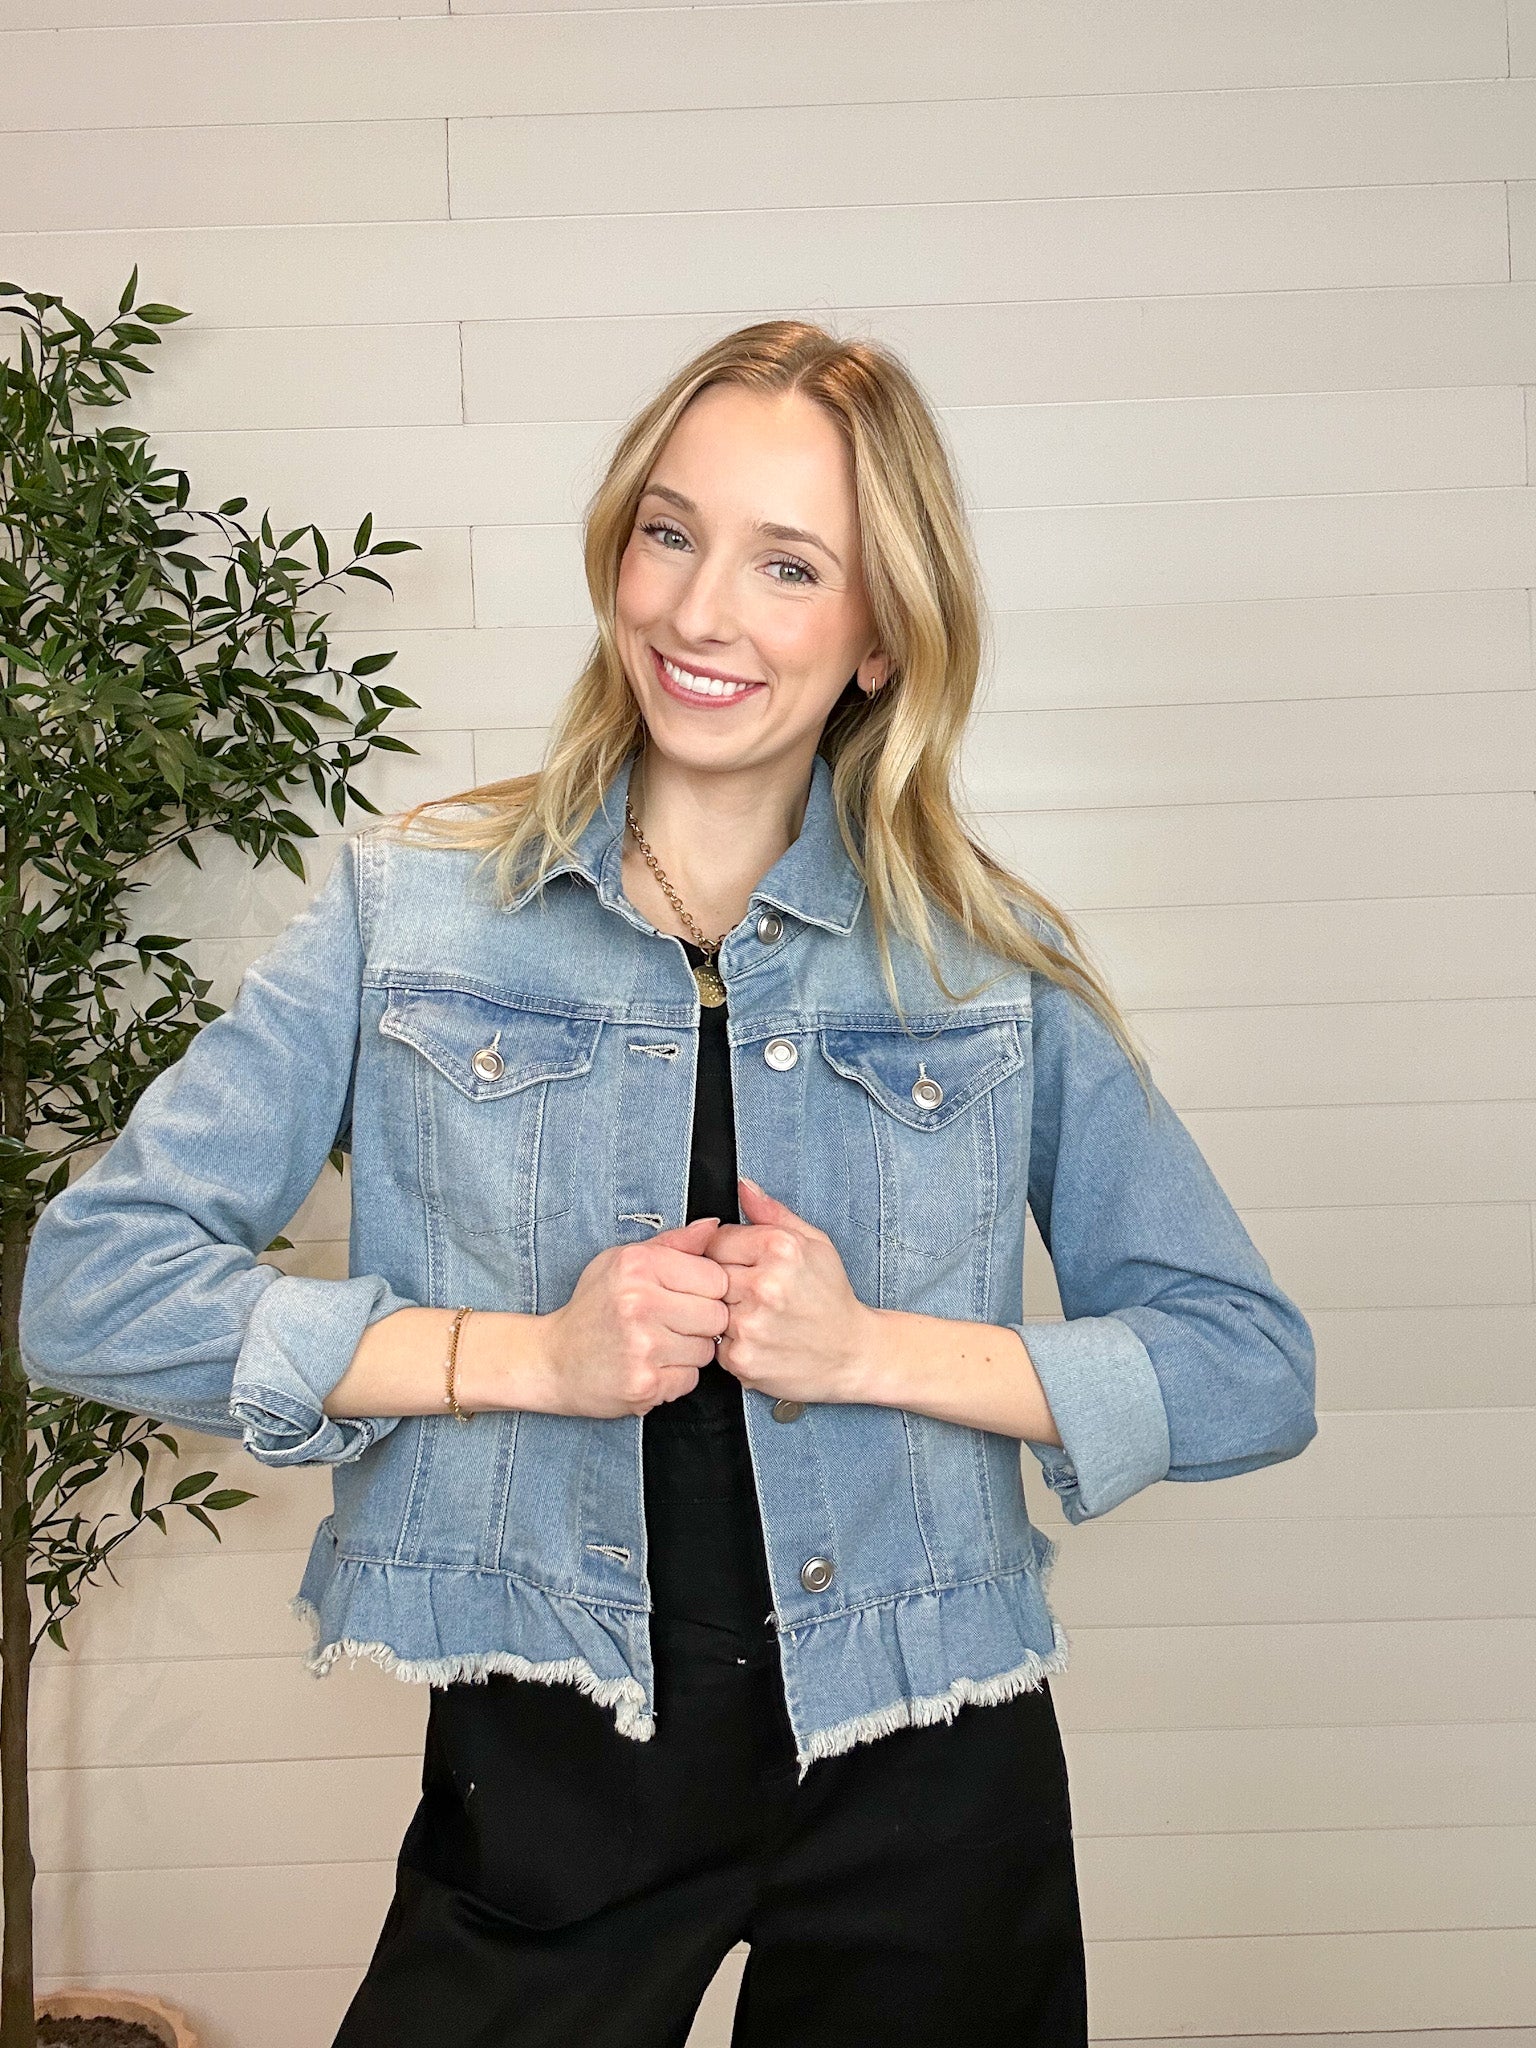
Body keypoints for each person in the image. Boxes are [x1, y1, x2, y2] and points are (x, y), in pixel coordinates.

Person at [20, 320, 1318, 2047]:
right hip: (556, 1763)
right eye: (670, 533)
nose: (702, 613)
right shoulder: (411, 914)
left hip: (932, 1761)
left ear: (880, 636)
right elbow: (91, 1288)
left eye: (790, 565)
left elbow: (1248, 1365)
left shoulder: (985, 964)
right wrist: (524, 1358)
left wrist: (872, 1351)